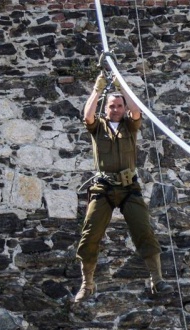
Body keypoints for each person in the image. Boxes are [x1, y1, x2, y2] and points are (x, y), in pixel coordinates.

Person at [74, 72, 174, 303]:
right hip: (103, 188)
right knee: (90, 234)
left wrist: (121, 84)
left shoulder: (130, 125)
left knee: (144, 231)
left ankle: (156, 279)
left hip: (129, 188)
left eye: (119, 105)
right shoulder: (98, 126)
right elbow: (87, 115)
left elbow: (136, 109)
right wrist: (98, 90)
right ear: (106, 107)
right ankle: (87, 283)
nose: (116, 109)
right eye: (112, 105)